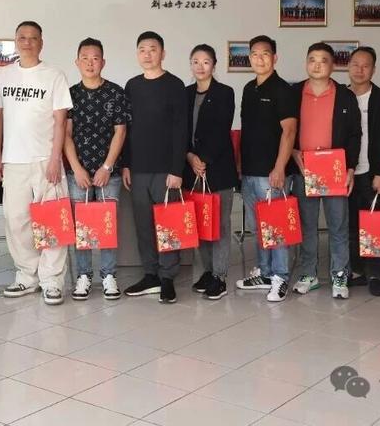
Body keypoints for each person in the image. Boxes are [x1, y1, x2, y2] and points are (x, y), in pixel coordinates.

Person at [0, 21, 73, 305]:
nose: (27, 42)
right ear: (15, 42)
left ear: (42, 42)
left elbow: (60, 121)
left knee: (52, 221)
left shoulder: (54, 75)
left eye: (33, 38)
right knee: (16, 221)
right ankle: (27, 276)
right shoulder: (3, 75)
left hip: (45, 160)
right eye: (22, 38)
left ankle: (52, 280)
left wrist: (55, 158)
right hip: (13, 160)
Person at [289, 43, 361, 299]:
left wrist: (350, 167)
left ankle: (340, 274)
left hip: (335, 170)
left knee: (338, 226)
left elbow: (355, 134)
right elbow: (284, 130)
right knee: (307, 226)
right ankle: (309, 274)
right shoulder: (294, 93)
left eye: (323, 60)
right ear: (306, 63)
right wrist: (293, 153)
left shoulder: (345, 95)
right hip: (304, 169)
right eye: (312, 59)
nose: (317, 65)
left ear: (333, 65)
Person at [122, 31, 188, 304]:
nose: (147, 54)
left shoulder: (175, 85)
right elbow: (126, 129)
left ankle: (167, 277)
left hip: (166, 170)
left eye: (152, 49)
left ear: (163, 53)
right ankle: (150, 274)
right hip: (138, 169)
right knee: (144, 225)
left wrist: (177, 169)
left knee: (168, 224)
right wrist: (126, 164)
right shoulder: (132, 86)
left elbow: (181, 130)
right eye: (142, 49)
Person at [64, 37, 129, 301]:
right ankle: (83, 275)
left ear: (103, 62)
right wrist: (77, 168)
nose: (90, 63)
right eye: (85, 58)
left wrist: (107, 166)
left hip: (108, 173)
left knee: (106, 224)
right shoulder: (69, 94)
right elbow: (66, 135)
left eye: (95, 58)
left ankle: (108, 275)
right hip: (77, 173)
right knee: (81, 226)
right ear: (77, 62)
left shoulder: (116, 92)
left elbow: (120, 132)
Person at [235, 35, 297, 302]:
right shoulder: (249, 88)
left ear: (275, 57)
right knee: (260, 227)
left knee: (277, 226)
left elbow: (289, 131)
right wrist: (241, 166)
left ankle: (281, 277)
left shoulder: (283, 90)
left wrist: (280, 167)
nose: (259, 59)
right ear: (249, 58)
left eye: (265, 54)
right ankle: (265, 272)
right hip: (250, 170)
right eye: (254, 54)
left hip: (272, 172)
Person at [184, 44, 237, 300]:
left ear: (214, 65)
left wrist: (202, 159)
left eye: (206, 62)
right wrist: (190, 157)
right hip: (191, 169)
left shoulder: (225, 93)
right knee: (200, 223)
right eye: (196, 61)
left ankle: (220, 276)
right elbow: (180, 131)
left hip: (218, 169)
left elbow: (220, 130)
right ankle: (207, 271)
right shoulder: (185, 94)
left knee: (220, 224)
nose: (200, 66)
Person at [345, 46, 380, 297]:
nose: (359, 70)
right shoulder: (341, 96)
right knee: (351, 226)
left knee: (374, 225)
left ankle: (375, 274)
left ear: (373, 70)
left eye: (365, 66)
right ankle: (356, 272)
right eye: (355, 64)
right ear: (348, 66)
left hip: (372, 174)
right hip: (346, 174)